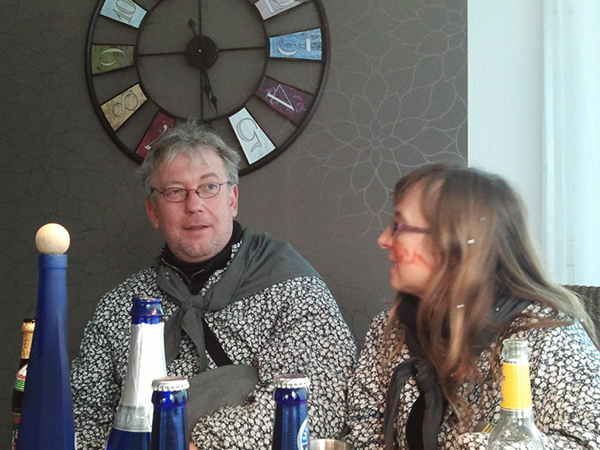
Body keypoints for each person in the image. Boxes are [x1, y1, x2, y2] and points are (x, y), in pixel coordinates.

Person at [70, 122, 357, 450]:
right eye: (175, 191)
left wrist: (200, 444)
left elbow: (319, 401)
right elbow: (82, 419)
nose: (194, 205)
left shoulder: (294, 287)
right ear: (153, 212)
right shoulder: (119, 308)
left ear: (232, 199)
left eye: (208, 187)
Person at [344, 164, 600, 450]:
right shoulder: (390, 330)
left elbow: (588, 442)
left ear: (453, 246)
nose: (383, 240)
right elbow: (362, 436)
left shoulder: (547, 338)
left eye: (399, 227)